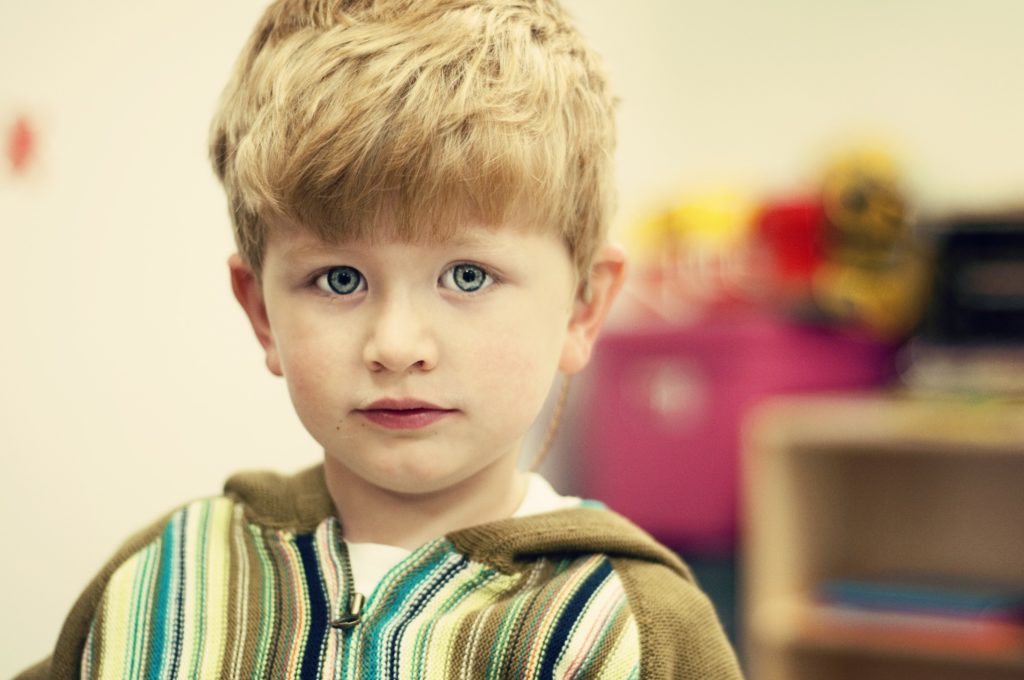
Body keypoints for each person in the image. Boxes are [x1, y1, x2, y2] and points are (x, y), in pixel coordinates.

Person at [17, 1, 743, 677]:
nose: (396, 346)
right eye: (339, 280)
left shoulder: (636, 633)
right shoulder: (157, 585)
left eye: (466, 275)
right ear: (261, 313)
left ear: (583, 306)